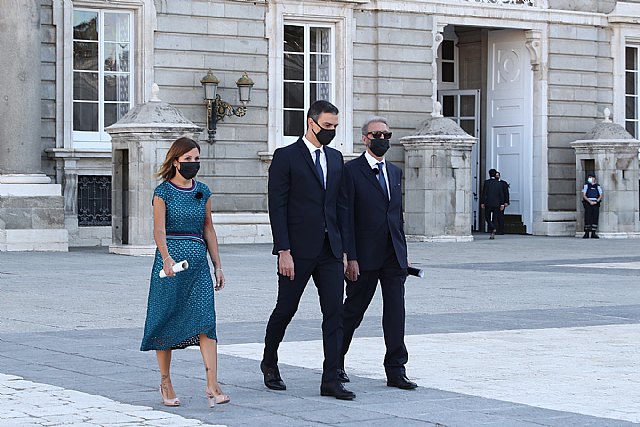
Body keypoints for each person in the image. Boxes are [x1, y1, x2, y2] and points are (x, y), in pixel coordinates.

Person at [261, 100, 355, 400]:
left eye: (335, 128)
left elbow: (341, 206)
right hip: (297, 251)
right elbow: (277, 206)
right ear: (311, 123)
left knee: (334, 314)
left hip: (330, 250)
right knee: (286, 310)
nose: (331, 132)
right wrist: (283, 250)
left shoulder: (337, 158)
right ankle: (270, 361)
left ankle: (330, 379)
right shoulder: (286, 156)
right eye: (327, 126)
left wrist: (346, 252)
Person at [140, 136, 229, 408]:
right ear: (175, 161)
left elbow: (208, 229)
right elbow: (159, 230)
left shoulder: (203, 190)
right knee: (165, 320)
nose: (193, 163)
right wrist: (166, 258)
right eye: (188, 159)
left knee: (206, 321)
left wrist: (218, 265)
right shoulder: (163, 192)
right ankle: (165, 382)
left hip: (199, 266)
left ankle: (212, 384)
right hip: (171, 267)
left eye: (196, 159)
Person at [339, 116, 417, 390]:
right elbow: (345, 216)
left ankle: (396, 370)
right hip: (363, 255)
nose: (382, 140)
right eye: (377, 135)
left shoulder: (395, 172)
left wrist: (403, 252)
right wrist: (351, 256)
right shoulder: (350, 171)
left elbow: (397, 216)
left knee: (396, 312)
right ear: (365, 138)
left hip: (393, 255)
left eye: (386, 135)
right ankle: (336, 363)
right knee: (353, 311)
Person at [480, 169, 505, 239]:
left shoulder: (487, 182)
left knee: (487, 216)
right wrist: (502, 204)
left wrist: (482, 202)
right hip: (497, 203)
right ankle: (492, 232)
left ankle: (492, 227)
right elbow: (501, 194)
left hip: (488, 202)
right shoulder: (499, 183)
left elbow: (484, 193)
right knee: (495, 217)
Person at [581, 173, 603, 238]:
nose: (590, 179)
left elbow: (601, 195)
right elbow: (584, 195)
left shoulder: (598, 186)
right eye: (589, 178)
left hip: (595, 203)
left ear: (594, 178)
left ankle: (593, 233)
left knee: (595, 217)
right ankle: (587, 233)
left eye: (591, 177)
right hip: (588, 203)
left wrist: (596, 201)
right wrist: (589, 201)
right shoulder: (586, 186)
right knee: (587, 217)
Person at [495, 171, 510, 235]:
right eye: (496, 175)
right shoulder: (493, 183)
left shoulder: (503, 183)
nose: (497, 176)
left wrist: (506, 202)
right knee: (495, 217)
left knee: (500, 217)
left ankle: (501, 230)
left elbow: (506, 193)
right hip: (495, 202)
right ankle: (496, 229)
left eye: (497, 175)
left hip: (502, 202)